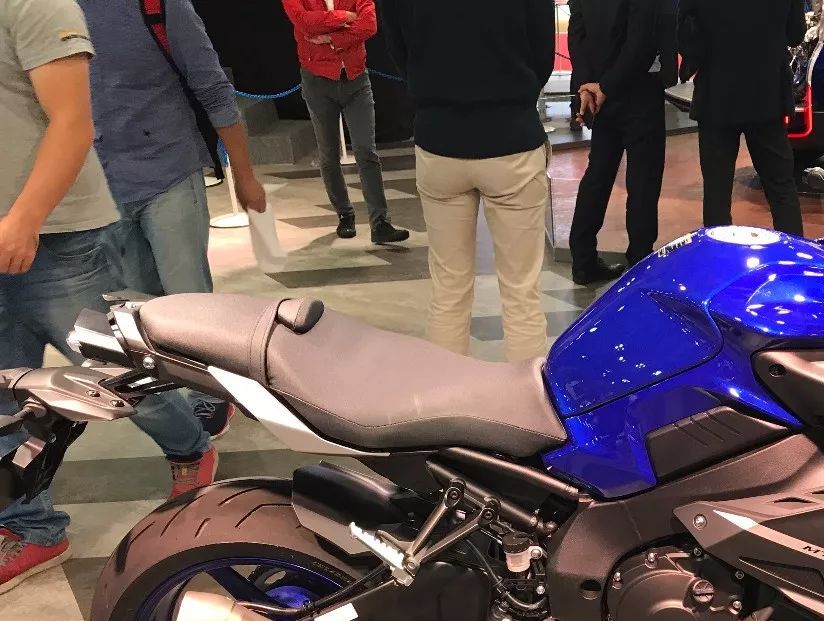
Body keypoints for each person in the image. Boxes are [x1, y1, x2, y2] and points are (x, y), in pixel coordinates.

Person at [0, 0, 218, 594]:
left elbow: (73, 122)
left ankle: (189, 447)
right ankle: (30, 525)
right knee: (3, 393)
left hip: (57, 235)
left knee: (112, 376)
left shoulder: (36, 5)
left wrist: (25, 218)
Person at [79, 0, 270, 440]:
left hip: (168, 170)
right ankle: (171, 393)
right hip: (98, 185)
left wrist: (244, 174)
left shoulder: (159, 5)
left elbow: (213, 87)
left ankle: (211, 392)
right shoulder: (48, 11)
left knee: (189, 300)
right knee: (137, 306)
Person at [378, 0, 555, 361]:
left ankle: (447, 392)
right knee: (522, 294)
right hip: (511, 137)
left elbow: (397, 47)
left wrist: (432, 92)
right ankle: (522, 396)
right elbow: (542, 53)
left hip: (439, 138)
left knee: (448, 291)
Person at [567, 0, 678, 286]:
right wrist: (605, 87)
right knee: (643, 180)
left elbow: (577, 33)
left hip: (601, 92)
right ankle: (640, 263)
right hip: (638, 90)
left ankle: (583, 259)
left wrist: (587, 85)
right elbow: (641, 42)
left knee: (599, 173)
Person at [282, 0, 410, 245]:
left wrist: (332, 38)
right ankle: (344, 214)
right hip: (317, 81)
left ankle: (380, 223)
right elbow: (305, 23)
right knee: (328, 154)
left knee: (366, 151)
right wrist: (345, 16)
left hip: (356, 78)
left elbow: (369, 24)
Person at [679, 0, 805, 237]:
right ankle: (794, 254)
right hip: (767, 95)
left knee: (717, 193)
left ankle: (719, 255)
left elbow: (685, 37)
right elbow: (795, 34)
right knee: (781, 189)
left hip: (717, 95)